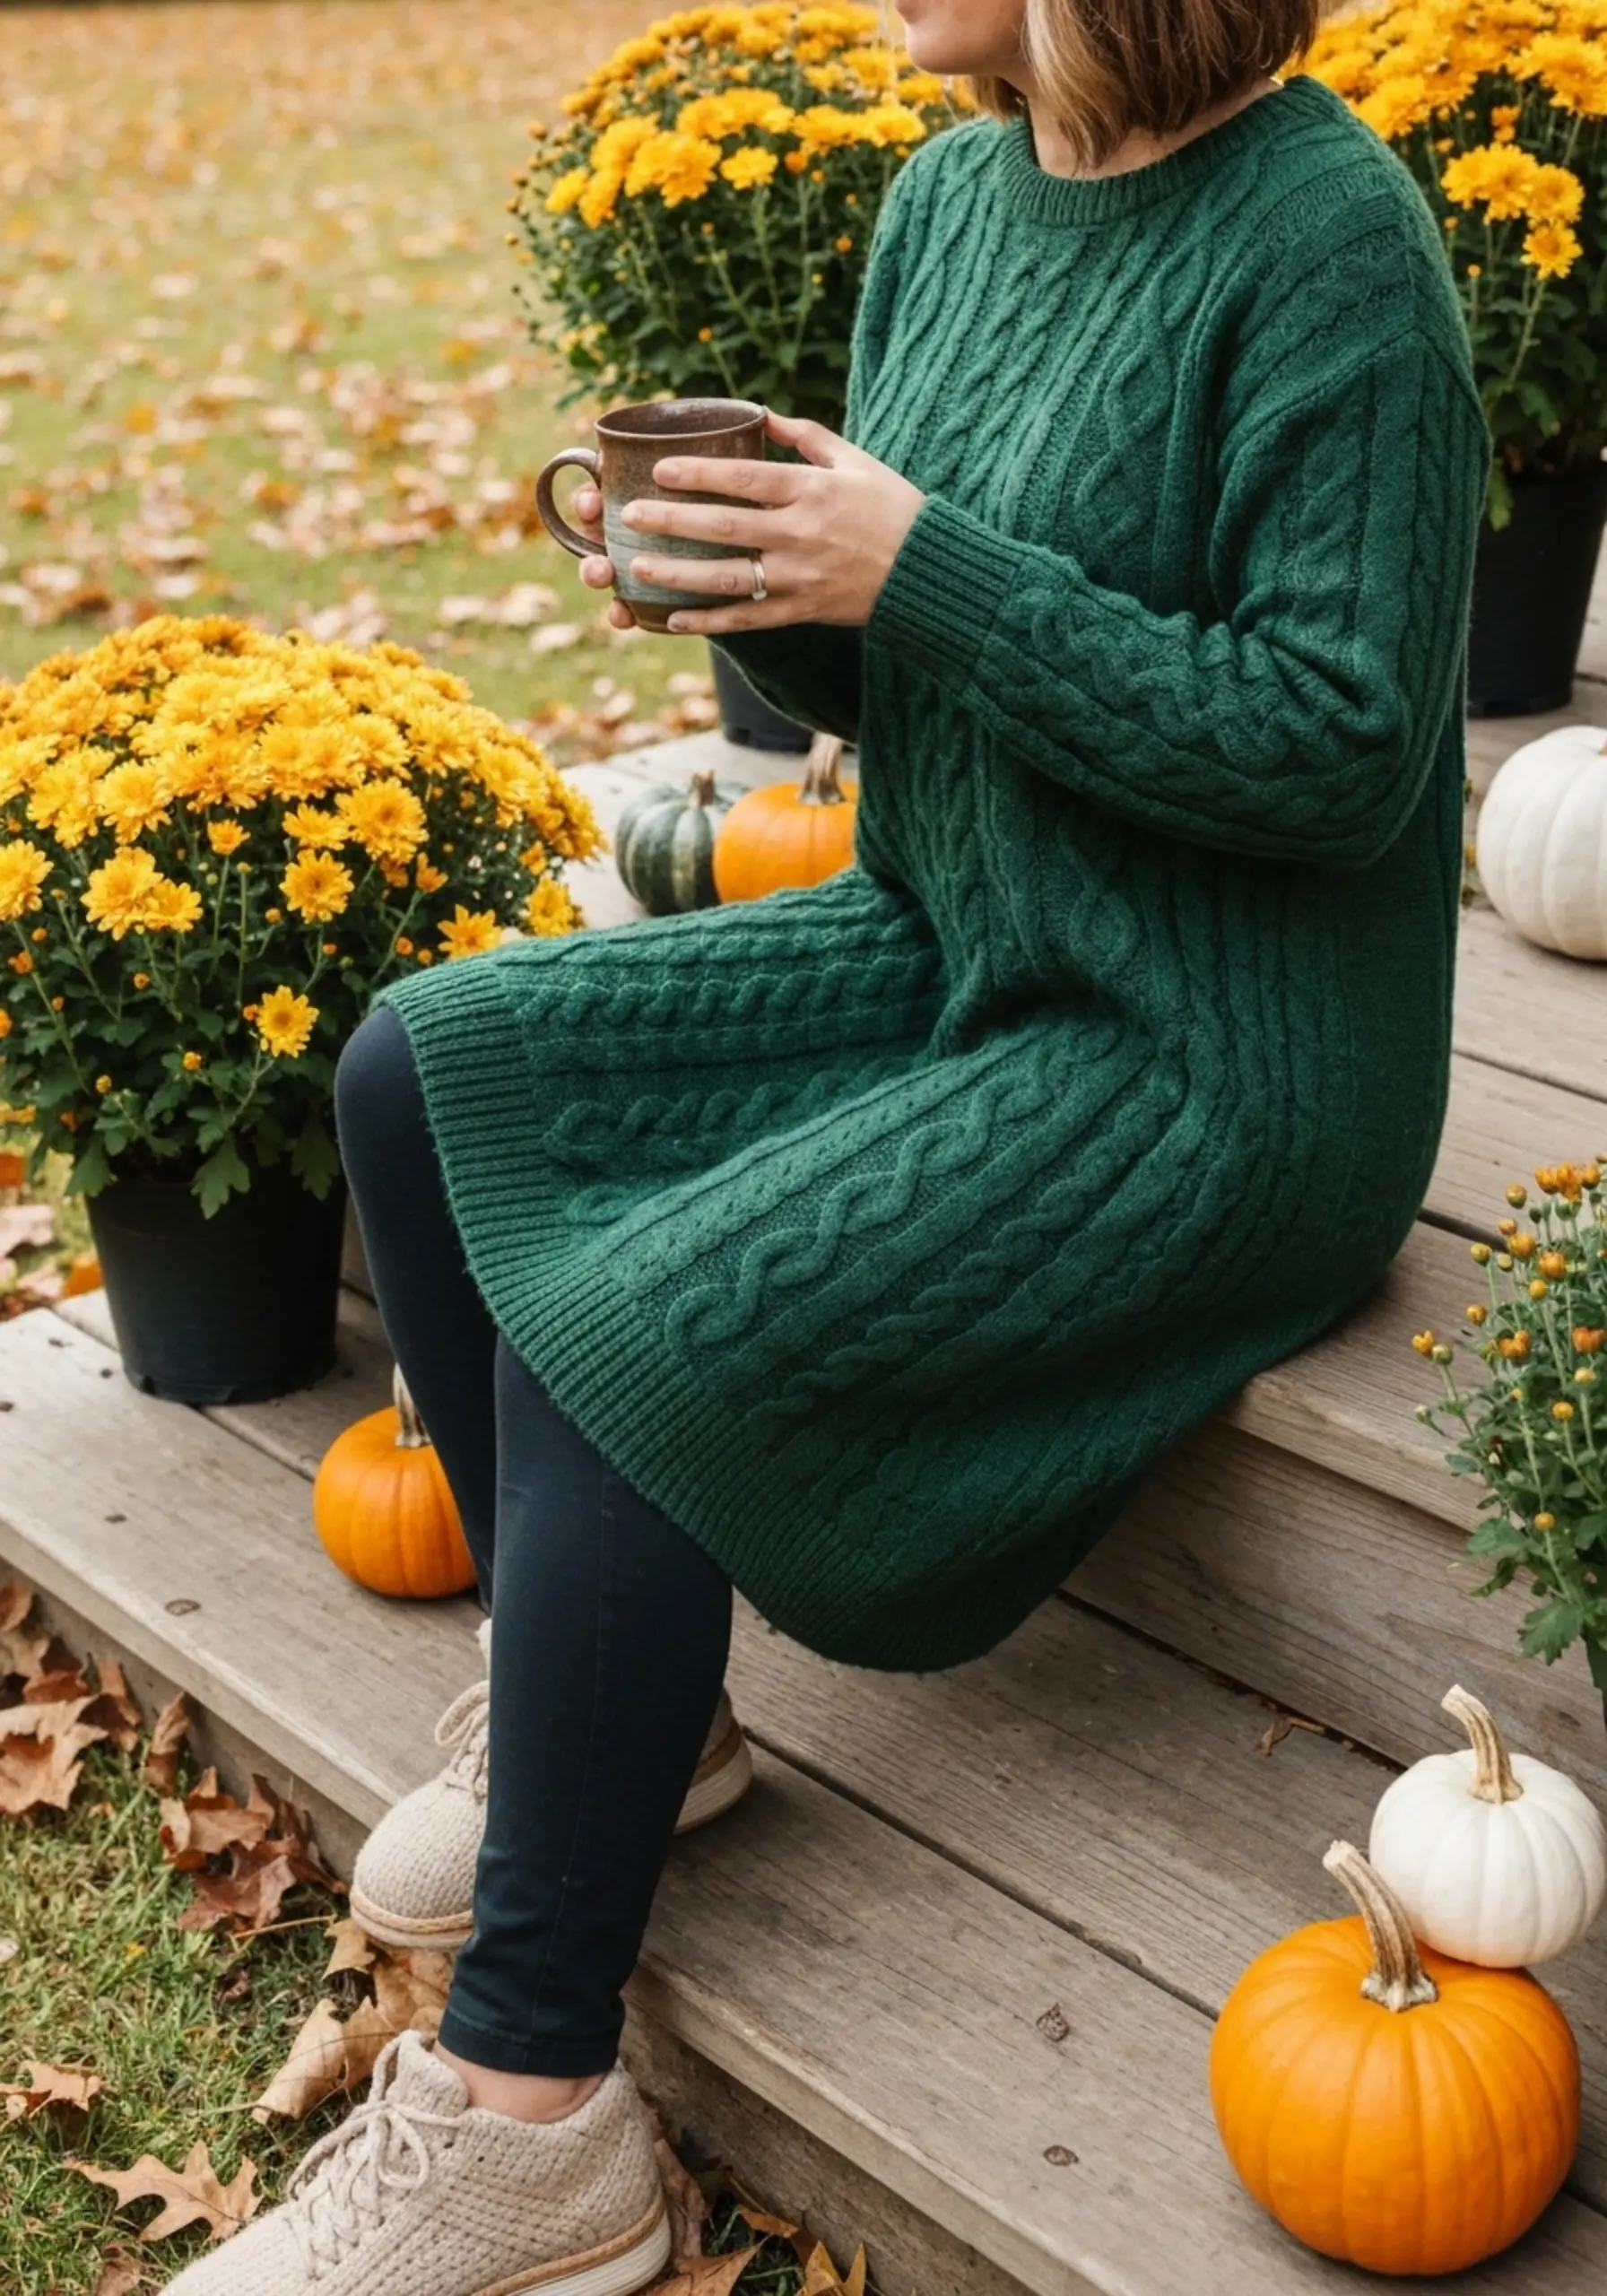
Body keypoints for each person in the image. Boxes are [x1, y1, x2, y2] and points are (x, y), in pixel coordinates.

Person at [169, 0, 1490, 2288]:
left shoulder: (1329, 242)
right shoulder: (947, 196)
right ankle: (630, 1720)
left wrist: (918, 570)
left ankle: (526, 2122)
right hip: (951, 930)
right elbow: (922, 676)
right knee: (414, 1064)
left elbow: (1340, 751)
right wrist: (787, 598)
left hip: (1216, 1054)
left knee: (622, 1328)